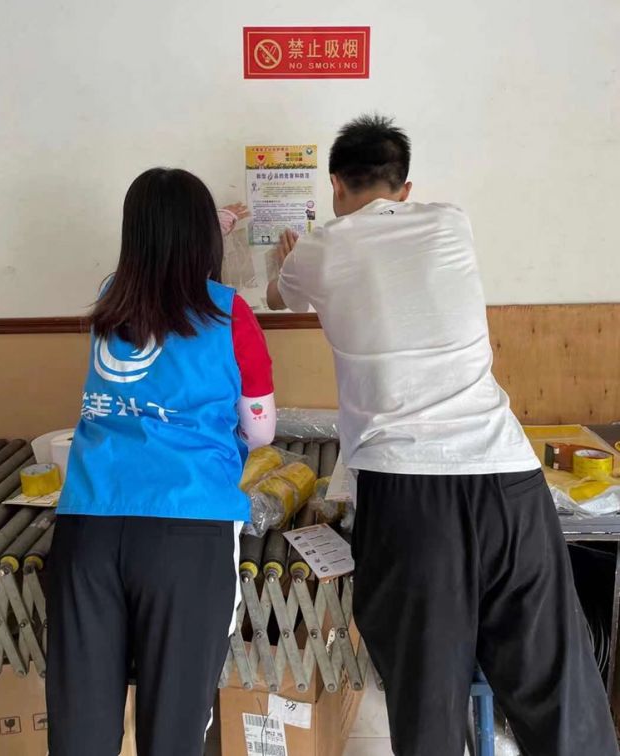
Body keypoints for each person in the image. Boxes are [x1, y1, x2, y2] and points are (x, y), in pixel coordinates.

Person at [267, 115, 618, 756]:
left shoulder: (322, 246)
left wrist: (288, 258)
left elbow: (278, 298)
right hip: (509, 481)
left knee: (426, 700)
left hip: (409, 496)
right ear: (405, 189)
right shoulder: (452, 222)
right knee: (558, 694)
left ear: (336, 186)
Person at [47, 168, 275, 756]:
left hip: (88, 526)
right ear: (206, 237)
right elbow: (261, 429)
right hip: (188, 532)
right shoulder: (230, 313)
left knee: (79, 731)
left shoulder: (109, 300)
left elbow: (161, 255)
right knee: (173, 730)